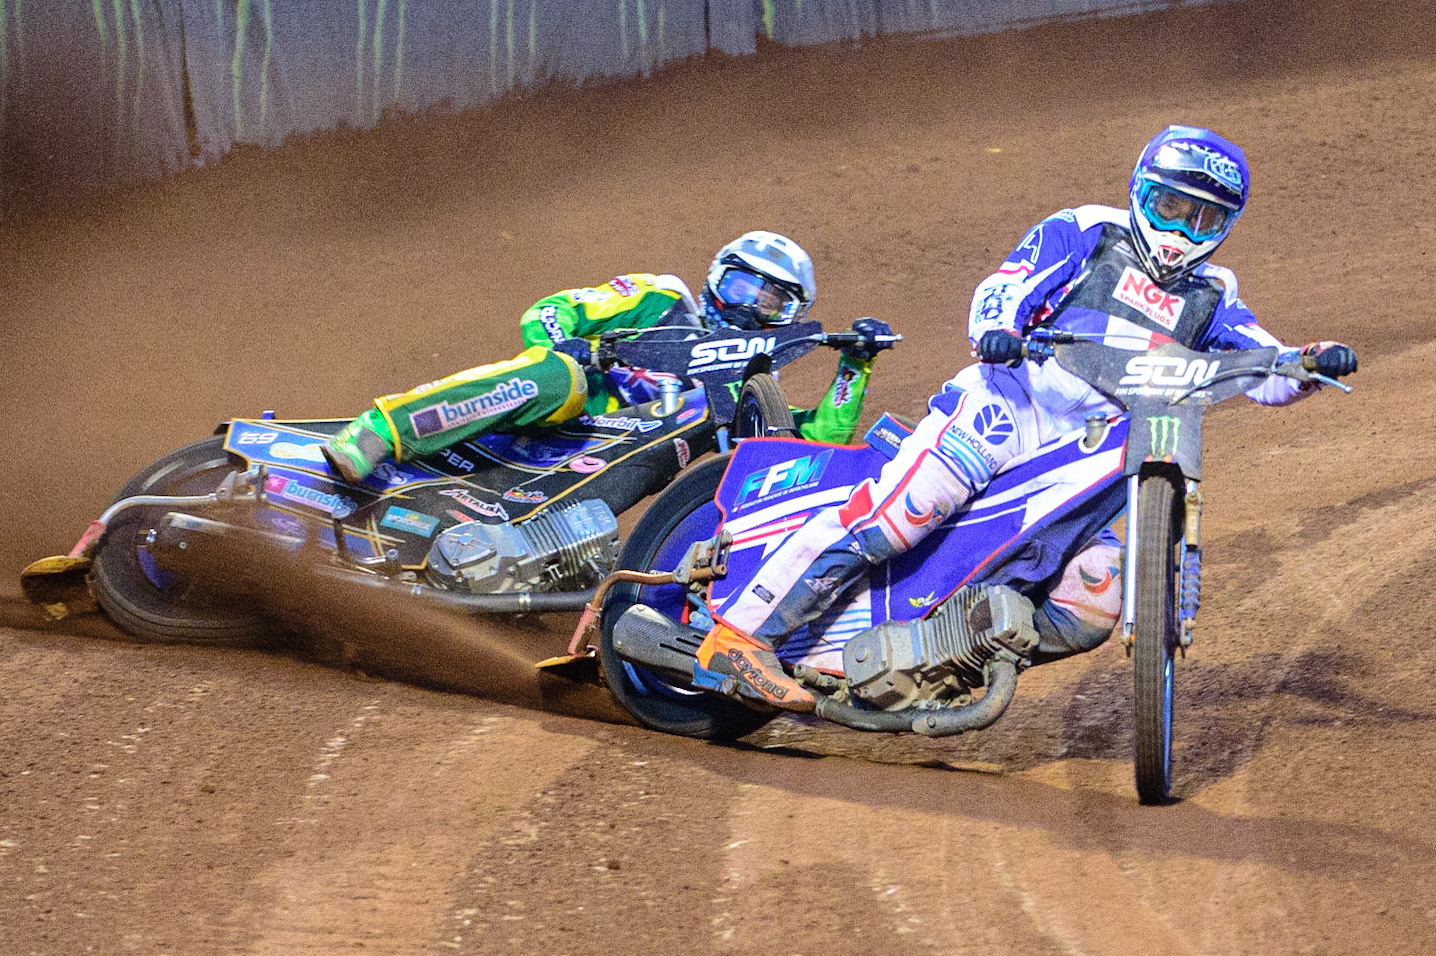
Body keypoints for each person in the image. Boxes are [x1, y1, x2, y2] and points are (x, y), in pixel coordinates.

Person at [693, 126, 1359, 711]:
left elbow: (1262, 366)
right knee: (901, 515)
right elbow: (1005, 287)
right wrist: (998, 329)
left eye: (1204, 220)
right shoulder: (1088, 229)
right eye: (1172, 208)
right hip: (1006, 405)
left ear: (1224, 228)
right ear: (1142, 191)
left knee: (1098, 594)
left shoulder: (1213, 294)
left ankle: (942, 658)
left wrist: (1309, 363)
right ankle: (742, 637)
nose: (1184, 231)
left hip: (1087, 451)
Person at [322, 231, 892, 484]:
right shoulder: (663, 297)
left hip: (603, 464)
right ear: (718, 277)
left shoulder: (745, 384)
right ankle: (376, 432)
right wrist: (569, 347)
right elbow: (550, 310)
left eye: (771, 302)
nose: (748, 308)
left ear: (788, 319)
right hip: (560, 414)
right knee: (559, 377)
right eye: (743, 287)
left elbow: (819, 446)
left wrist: (854, 366)